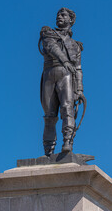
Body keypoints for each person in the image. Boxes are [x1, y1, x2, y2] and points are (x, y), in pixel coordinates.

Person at [39, 8, 84, 156]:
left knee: (67, 109)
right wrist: (65, 60)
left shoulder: (75, 45)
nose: (59, 16)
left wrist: (79, 89)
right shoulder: (48, 33)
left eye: (63, 15)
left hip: (67, 76)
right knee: (49, 116)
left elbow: (78, 68)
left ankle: (67, 143)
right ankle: (48, 151)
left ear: (71, 20)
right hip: (50, 73)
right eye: (58, 14)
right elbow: (51, 47)